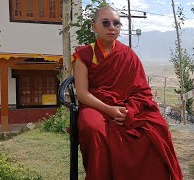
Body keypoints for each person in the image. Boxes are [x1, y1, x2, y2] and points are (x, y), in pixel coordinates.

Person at [73, 6, 182, 180]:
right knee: (93, 128)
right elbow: (82, 94)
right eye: (106, 23)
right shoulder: (83, 55)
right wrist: (110, 110)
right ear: (93, 26)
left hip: (124, 105)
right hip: (96, 106)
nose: (112, 27)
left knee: (155, 127)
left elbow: (141, 91)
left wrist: (130, 110)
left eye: (116, 23)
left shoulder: (127, 54)